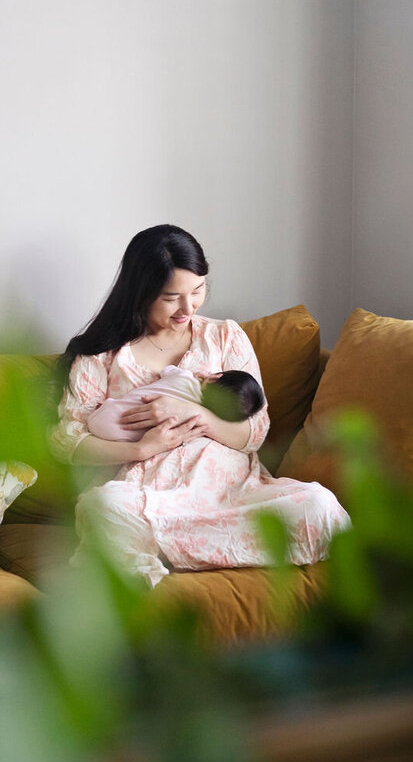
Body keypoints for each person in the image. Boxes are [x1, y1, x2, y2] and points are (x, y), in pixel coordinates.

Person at [51, 225, 351, 586]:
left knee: (318, 505)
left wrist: (199, 416)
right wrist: (141, 447)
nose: (187, 307)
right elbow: (68, 441)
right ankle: (195, 546)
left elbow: (255, 431)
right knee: (104, 509)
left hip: (233, 494)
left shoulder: (224, 337)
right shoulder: (101, 354)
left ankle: (170, 549)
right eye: (170, 296)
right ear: (140, 293)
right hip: (152, 497)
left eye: (197, 290)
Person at [87, 366, 265, 443]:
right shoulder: (191, 422)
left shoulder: (184, 378)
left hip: (106, 412)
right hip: (119, 439)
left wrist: (194, 374)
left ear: (214, 377)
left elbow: (167, 370)